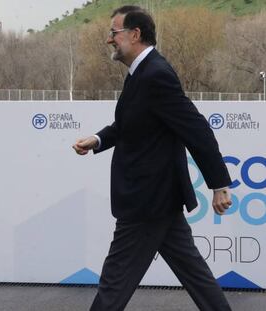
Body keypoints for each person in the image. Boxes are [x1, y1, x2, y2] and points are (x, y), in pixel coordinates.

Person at [72, 5, 233, 311]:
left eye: (114, 32)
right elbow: (130, 125)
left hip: (146, 202)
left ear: (135, 34)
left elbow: (196, 128)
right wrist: (98, 140)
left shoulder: (156, 75)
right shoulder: (140, 74)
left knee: (114, 284)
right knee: (196, 276)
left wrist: (220, 183)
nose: (109, 40)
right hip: (159, 200)